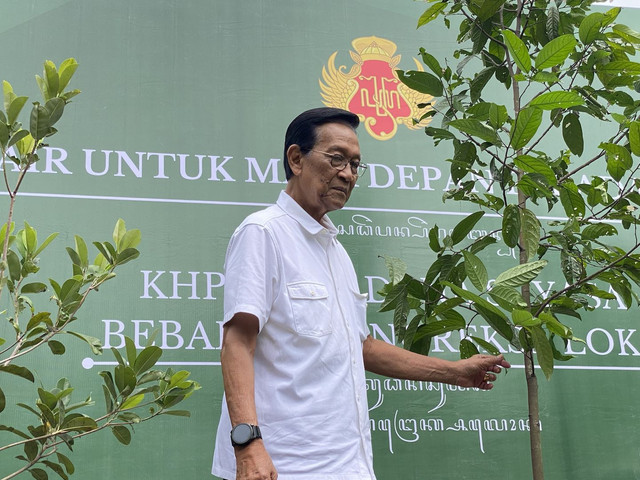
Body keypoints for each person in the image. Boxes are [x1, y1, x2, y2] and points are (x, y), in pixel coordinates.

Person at [211, 107, 510, 480]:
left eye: (355, 165)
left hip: (346, 465)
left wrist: (454, 372)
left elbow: (360, 347)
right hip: (281, 465)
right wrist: (248, 444)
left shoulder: (335, 251)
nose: (348, 174)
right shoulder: (263, 233)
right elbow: (237, 343)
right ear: (296, 159)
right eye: (337, 158)